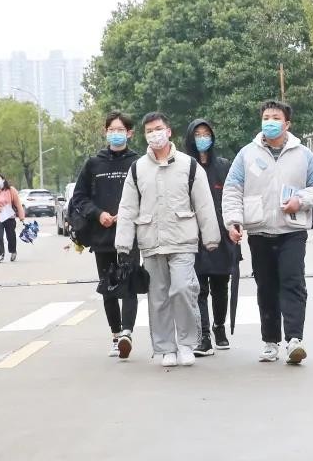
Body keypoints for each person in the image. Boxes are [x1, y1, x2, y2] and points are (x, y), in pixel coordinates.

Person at [222, 100, 313, 365]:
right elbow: (233, 189)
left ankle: (294, 339)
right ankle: (270, 341)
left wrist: (300, 200)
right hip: (259, 231)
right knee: (266, 287)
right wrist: (233, 221)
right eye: (266, 117)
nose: (270, 122)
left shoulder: (303, 154)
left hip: (292, 231)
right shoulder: (247, 154)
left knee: (293, 282)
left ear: (287, 124)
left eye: (276, 118)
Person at [115, 112, 220, 369]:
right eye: (149, 131)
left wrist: (211, 237)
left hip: (182, 239)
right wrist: (123, 243)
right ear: (144, 136)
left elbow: (204, 204)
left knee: (183, 289)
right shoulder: (137, 168)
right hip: (151, 240)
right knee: (158, 297)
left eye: (159, 128)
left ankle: (186, 344)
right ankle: (165, 348)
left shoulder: (189, 165)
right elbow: (127, 208)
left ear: (169, 131)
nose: (155, 134)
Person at [70, 111, 141, 359]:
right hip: (102, 236)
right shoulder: (93, 164)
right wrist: (98, 214)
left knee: (129, 283)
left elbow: (147, 195)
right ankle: (115, 334)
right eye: (112, 130)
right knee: (108, 286)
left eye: (121, 130)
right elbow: (79, 198)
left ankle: (127, 333)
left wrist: (129, 214)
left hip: (129, 235)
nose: (116, 134)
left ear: (130, 133)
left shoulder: (138, 163)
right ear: (105, 132)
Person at [184, 118, 240, 356]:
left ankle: (219, 327)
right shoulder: (185, 166)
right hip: (193, 236)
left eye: (206, 134)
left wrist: (235, 225)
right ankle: (204, 335)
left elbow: (233, 198)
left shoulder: (223, 166)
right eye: (197, 134)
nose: (202, 138)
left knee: (220, 286)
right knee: (198, 288)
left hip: (222, 236)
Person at [0, 174, 24, 263]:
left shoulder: (11, 190)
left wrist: (21, 217)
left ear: (3, 180)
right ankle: (0, 254)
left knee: (11, 236)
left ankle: (13, 251)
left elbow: (18, 204)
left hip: (9, 217)